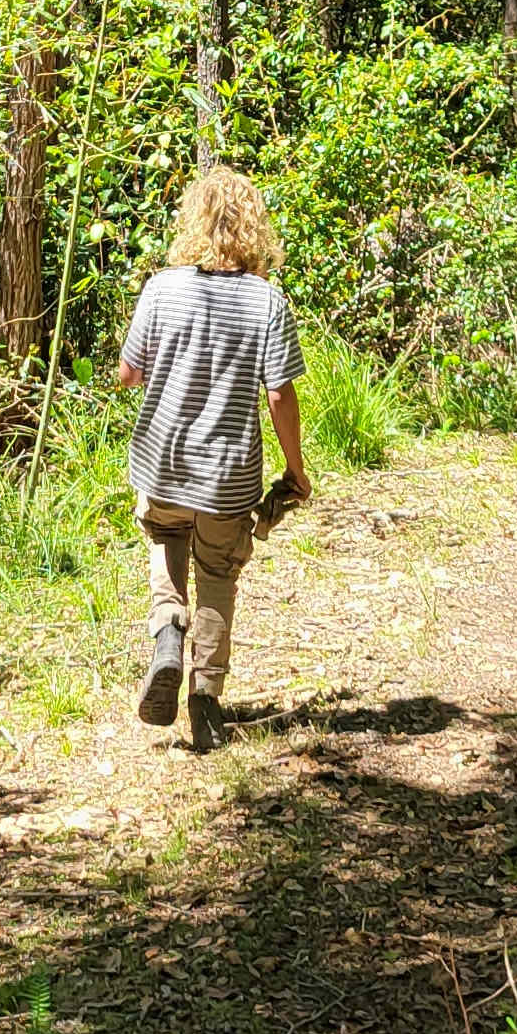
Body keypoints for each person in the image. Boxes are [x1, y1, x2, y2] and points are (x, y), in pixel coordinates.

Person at [111, 165, 309, 752]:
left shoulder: (162, 288)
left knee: (165, 544)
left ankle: (167, 635)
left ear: (192, 222)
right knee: (219, 574)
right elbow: (279, 394)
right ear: (253, 229)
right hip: (227, 478)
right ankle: (204, 700)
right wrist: (296, 470)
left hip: (163, 465)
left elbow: (127, 374)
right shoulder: (266, 300)